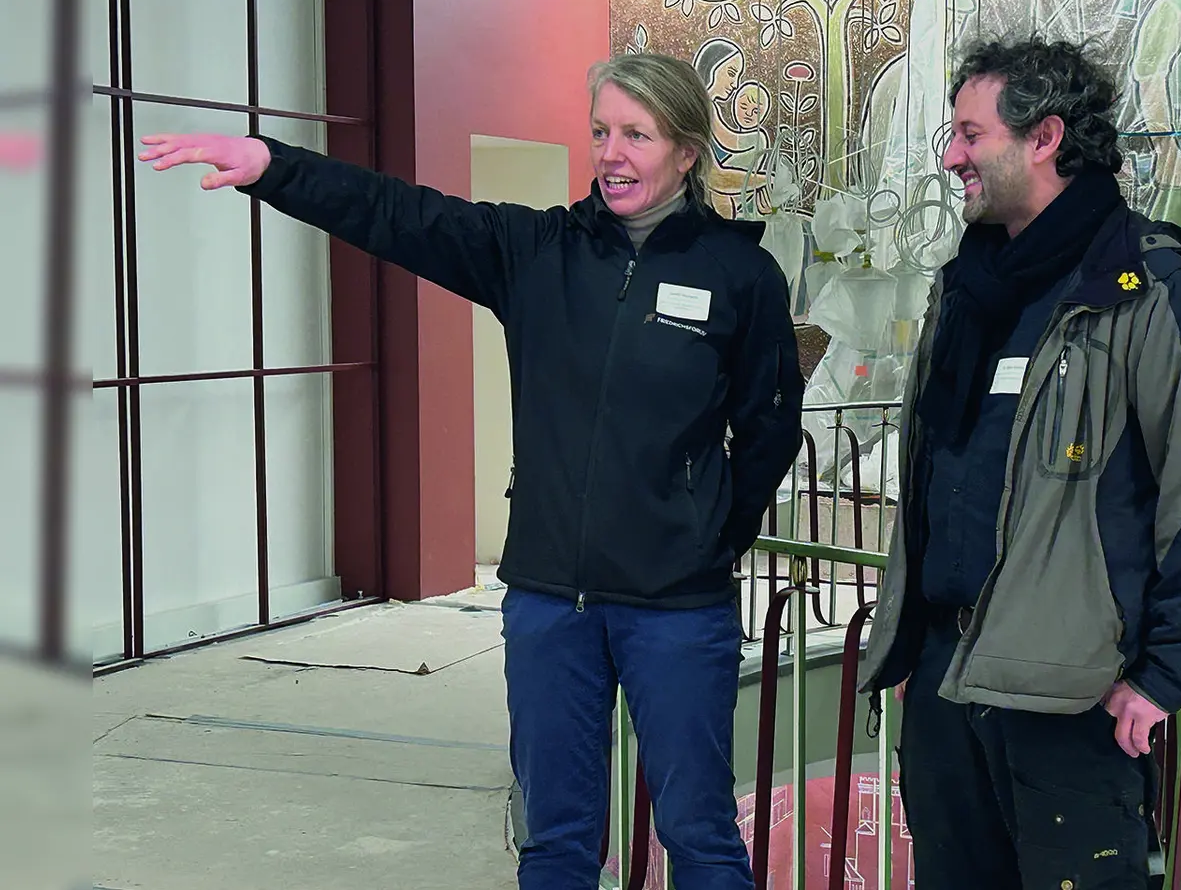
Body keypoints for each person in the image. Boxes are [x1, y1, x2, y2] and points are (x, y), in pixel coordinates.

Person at [139, 52, 802, 890]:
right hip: (549, 604)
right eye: (601, 131)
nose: (611, 153)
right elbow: (399, 214)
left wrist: (707, 538)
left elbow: (771, 428)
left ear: (687, 150)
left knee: (699, 834)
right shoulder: (537, 253)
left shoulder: (739, 274)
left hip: (676, 608)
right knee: (557, 837)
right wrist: (273, 167)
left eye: (637, 134)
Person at [856, 37, 1181, 890]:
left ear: (1043, 138)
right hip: (948, 678)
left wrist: (1162, 680)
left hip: (1071, 699)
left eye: (970, 135)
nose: (951, 156)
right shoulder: (964, 290)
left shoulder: (1152, 292)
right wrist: (921, 652)